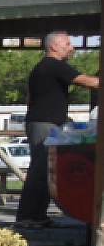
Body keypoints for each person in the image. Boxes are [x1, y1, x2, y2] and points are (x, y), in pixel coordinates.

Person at [15, 31, 99, 229]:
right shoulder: (54, 66)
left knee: (46, 170)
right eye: (67, 44)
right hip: (44, 123)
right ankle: (26, 216)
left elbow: (30, 98)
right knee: (40, 169)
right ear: (53, 46)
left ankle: (37, 216)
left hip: (45, 121)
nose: (72, 48)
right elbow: (88, 82)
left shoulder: (41, 68)